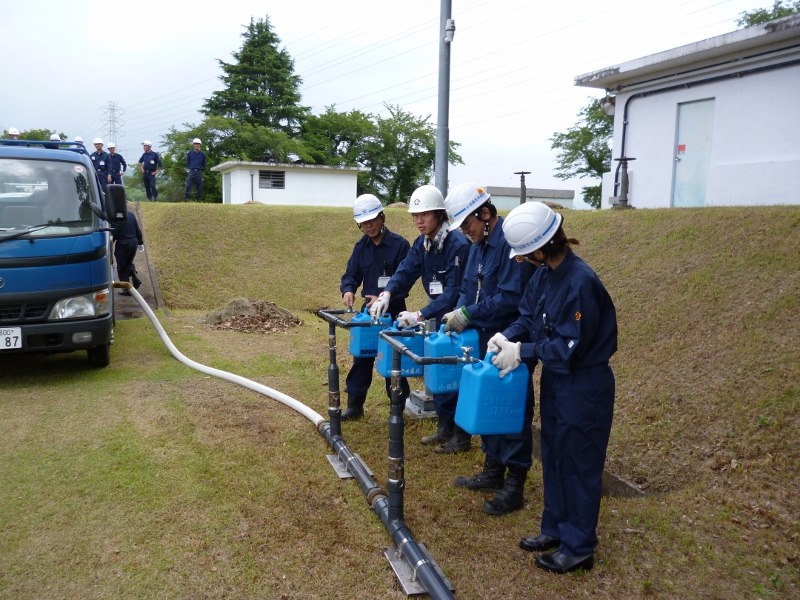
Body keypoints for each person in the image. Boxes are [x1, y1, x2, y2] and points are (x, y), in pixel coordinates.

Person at [490, 201, 618, 574]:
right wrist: (507, 336)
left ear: (541, 248)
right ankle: (555, 528)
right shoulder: (546, 274)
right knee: (556, 453)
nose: (521, 260)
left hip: (584, 383)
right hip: (558, 382)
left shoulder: (580, 282)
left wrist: (523, 351)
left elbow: (568, 347)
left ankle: (578, 546)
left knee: (579, 461)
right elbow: (528, 316)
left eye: (525, 254)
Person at [442, 183, 536, 516]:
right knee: (488, 404)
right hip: (484, 338)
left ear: (484, 213)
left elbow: (511, 297)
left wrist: (470, 313)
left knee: (511, 408)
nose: (466, 232)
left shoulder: (510, 242)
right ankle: (493, 470)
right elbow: (470, 289)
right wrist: (460, 312)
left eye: (467, 224)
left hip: (512, 340)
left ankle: (515, 485)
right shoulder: (477, 246)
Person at [370, 184, 469, 452]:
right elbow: (405, 270)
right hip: (439, 314)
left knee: (456, 373)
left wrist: (419, 314)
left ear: (439, 214)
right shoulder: (422, 244)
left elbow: (454, 291)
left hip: (461, 317)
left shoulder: (457, 244)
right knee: (438, 370)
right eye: (415, 216)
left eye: (424, 215)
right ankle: (444, 428)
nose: (419, 221)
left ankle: (460, 437)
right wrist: (388, 293)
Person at [339, 194, 412, 420]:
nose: (369, 226)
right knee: (362, 358)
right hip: (368, 312)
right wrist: (348, 289)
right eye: (363, 223)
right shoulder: (361, 247)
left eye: (372, 220)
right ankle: (355, 405)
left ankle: (398, 406)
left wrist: (386, 296)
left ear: (382, 217)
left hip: (395, 308)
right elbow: (351, 274)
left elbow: (406, 279)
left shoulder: (400, 245)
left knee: (393, 359)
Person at [112, 210, 144, 296]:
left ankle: (126, 290)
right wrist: (140, 243)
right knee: (128, 262)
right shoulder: (131, 215)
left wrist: (110, 243)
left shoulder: (116, 217)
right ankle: (133, 274)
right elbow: (137, 230)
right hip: (134, 242)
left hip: (123, 243)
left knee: (121, 266)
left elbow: (114, 232)